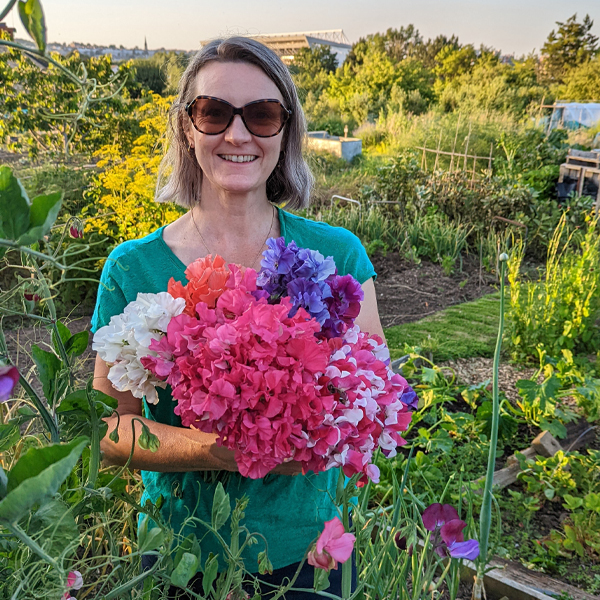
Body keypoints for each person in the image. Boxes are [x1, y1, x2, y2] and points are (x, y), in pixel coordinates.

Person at [92, 37, 385, 599]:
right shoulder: (133, 268)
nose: (238, 133)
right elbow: (109, 430)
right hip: (181, 553)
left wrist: (316, 438)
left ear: (286, 130)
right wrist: (211, 451)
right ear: (186, 128)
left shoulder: (337, 258)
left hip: (308, 555)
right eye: (213, 112)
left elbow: (371, 401)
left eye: (262, 114)